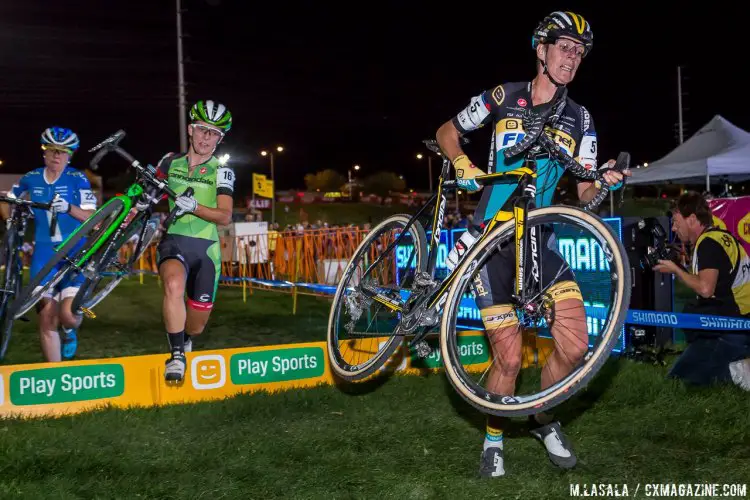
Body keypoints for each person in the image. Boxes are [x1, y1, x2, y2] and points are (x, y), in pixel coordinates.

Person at [435, 11, 630, 477]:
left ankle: (543, 415)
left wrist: (603, 180)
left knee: (576, 344)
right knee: (507, 355)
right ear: (541, 50)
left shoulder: (580, 118)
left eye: (579, 52)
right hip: (491, 238)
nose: (572, 57)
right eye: (564, 47)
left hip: (539, 238)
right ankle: (494, 438)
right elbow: (447, 132)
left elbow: (584, 195)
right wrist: (462, 163)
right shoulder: (503, 97)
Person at [155, 100, 235, 382]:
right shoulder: (169, 162)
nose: (206, 138)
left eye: (213, 133)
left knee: (197, 326)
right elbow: (148, 192)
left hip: (206, 251)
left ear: (220, 138)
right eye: (202, 130)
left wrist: (195, 208)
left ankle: (186, 338)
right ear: (191, 129)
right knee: (173, 285)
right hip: (174, 241)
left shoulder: (222, 171)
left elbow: (225, 217)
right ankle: (176, 357)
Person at [4, 127, 97, 362]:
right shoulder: (31, 177)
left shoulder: (78, 179)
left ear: (70, 155)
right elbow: (7, 199)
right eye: (53, 151)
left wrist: (69, 208)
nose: (57, 156)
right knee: (46, 318)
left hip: (75, 251)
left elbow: (92, 219)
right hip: (44, 253)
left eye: (63, 152)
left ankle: (69, 330)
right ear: (44, 152)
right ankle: (55, 373)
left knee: (68, 315)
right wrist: (10, 220)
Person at [653, 191, 750, 388]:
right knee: (678, 377)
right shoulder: (720, 236)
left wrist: (676, 271)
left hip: (733, 327)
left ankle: (742, 372)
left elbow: (705, 289)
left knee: (693, 380)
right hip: (731, 323)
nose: (673, 227)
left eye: (676, 221)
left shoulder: (708, 243)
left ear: (692, 219)